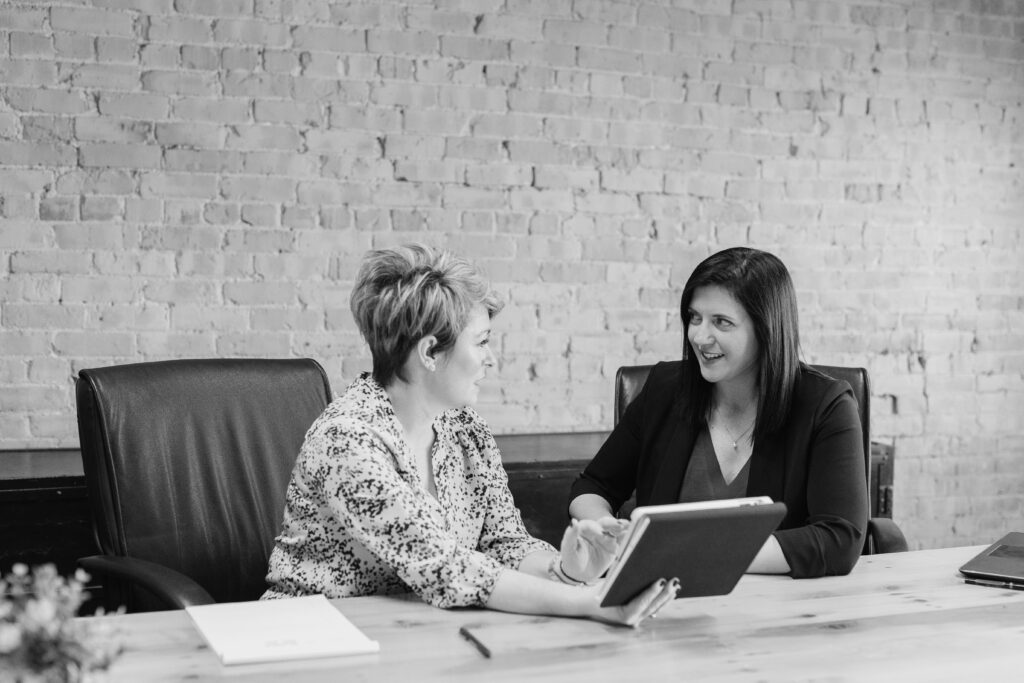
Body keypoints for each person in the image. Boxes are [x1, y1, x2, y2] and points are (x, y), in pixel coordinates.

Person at [264, 244, 677, 626]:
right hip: (310, 637)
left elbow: (504, 542)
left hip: (419, 634)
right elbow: (444, 567)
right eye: (481, 342)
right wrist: (589, 602)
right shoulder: (347, 441)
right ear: (429, 353)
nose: (491, 359)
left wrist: (567, 571)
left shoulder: (465, 428)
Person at [569, 247, 868, 578]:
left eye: (721, 322)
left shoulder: (826, 405)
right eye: (694, 318)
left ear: (766, 328)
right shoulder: (665, 389)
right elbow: (592, 486)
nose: (699, 336)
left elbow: (840, 539)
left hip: (778, 609)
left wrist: (695, 553)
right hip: (663, 603)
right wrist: (607, 531)